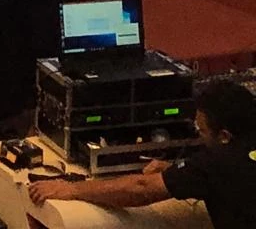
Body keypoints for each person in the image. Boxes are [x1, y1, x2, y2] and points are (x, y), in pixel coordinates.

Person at [27, 79, 256, 229]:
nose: (198, 134)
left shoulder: (215, 163)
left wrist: (72, 189)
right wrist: (177, 173)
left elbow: (141, 188)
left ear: (224, 136)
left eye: (202, 131)